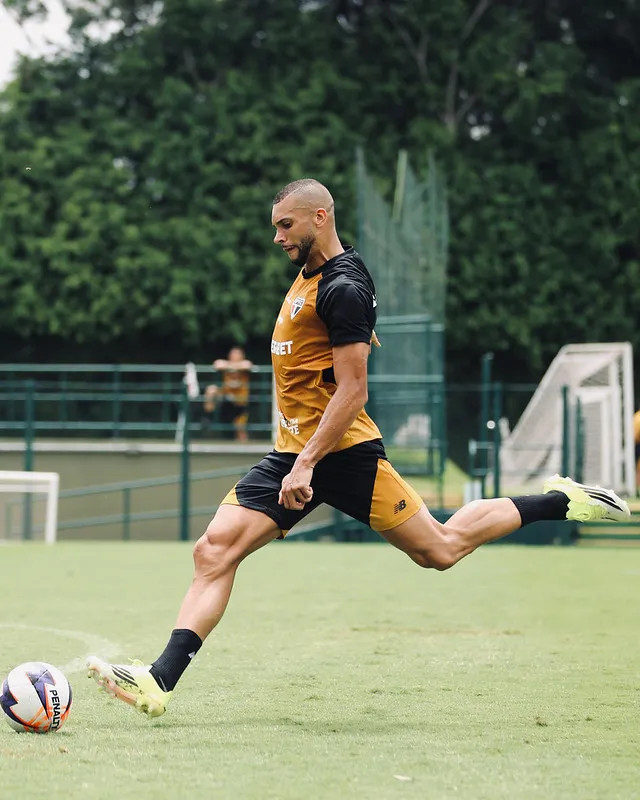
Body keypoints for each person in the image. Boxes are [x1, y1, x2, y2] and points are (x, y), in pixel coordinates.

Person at [87, 178, 631, 718]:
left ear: (320, 217)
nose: (277, 237)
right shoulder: (313, 274)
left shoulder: (342, 287)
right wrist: (296, 454)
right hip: (292, 452)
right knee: (213, 550)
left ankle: (562, 502)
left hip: (341, 454)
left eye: (286, 224)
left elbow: (353, 391)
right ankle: (158, 681)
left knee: (439, 550)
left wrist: (307, 462)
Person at [202, 347, 253, 442]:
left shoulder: (243, 366)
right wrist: (231, 366)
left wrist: (232, 367)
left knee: (240, 432)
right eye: (233, 354)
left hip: (240, 402)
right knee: (211, 389)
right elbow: (217, 364)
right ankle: (208, 418)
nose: (235, 356)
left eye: (238, 354)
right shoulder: (226, 365)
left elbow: (248, 365)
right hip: (226, 398)